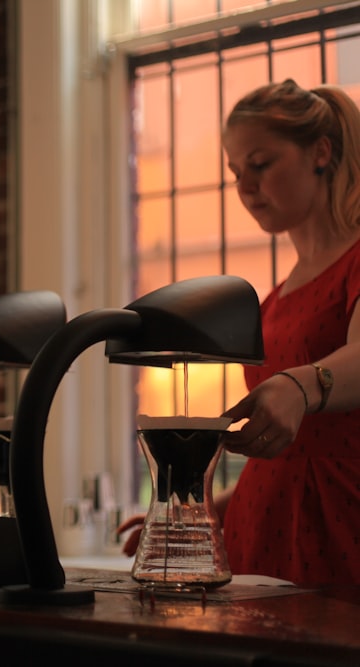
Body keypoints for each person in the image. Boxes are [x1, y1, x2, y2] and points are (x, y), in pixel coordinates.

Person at [120, 79, 360, 586]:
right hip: (261, 534)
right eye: (235, 172)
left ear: (321, 152)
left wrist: (302, 385)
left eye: (261, 164)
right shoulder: (274, 298)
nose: (245, 187)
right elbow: (281, 459)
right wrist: (201, 513)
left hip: (335, 528)